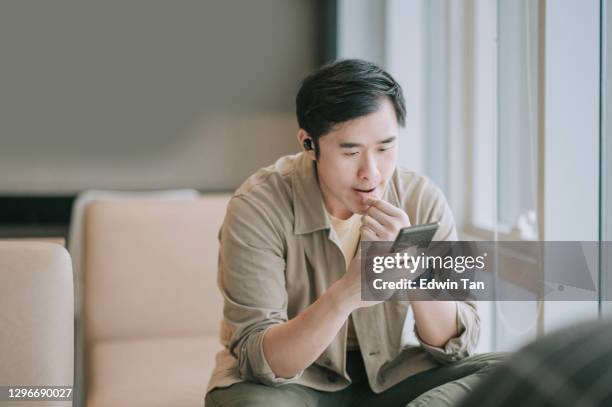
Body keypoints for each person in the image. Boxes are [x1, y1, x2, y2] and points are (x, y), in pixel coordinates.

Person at [205, 59, 503, 407]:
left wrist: (414, 271)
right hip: (292, 384)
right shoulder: (258, 206)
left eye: (384, 148)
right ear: (309, 144)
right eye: (350, 151)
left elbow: (456, 347)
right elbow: (263, 361)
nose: (371, 173)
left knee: (517, 373)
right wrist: (349, 291)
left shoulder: (421, 199)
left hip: (393, 375)